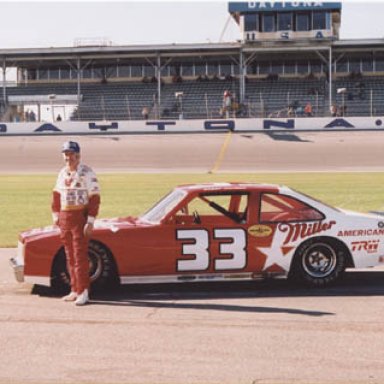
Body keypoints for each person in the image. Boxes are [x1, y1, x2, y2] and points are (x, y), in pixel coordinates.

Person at [51, 141, 100, 306]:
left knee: (80, 257)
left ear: (78, 155)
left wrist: (91, 220)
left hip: (80, 217)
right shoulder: (62, 173)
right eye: (66, 154)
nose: (68, 157)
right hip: (65, 217)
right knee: (69, 256)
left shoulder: (87, 172)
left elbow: (95, 198)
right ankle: (74, 289)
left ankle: (84, 291)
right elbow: (56, 195)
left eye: (71, 154)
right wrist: (55, 215)